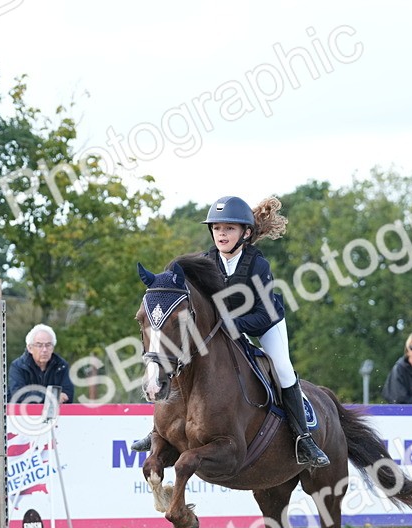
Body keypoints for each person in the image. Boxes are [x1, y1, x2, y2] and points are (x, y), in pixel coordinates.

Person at [134, 196, 329, 468]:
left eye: (229, 228)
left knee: (282, 368)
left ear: (245, 233)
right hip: (222, 327)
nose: (221, 234)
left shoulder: (257, 265)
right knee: (180, 358)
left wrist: (230, 326)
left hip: (264, 322)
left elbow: (264, 314)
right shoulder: (205, 261)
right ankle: (160, 431)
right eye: (217, 228)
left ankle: (303, 437)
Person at [8, 324, 75, 405]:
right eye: (39, 345)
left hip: (55, 414)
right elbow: (18, 395)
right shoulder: (18, 366)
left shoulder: (61, 366)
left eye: (48, 345)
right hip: (23, 415)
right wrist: (51, 397)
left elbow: (68, 395)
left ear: (53, 347)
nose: (44, 350)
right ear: (30, 348)